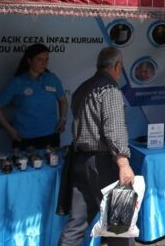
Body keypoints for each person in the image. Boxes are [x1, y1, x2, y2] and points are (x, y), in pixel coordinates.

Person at [58, 47, 135, 246]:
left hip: (81, 161)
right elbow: (114, 128)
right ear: (117, 66)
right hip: (103, 164)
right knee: (119, 224)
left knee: (77, 223)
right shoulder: (110, 90)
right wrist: (123, 163)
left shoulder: (83, 88)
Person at [0, 43, 67, 149]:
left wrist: (62, 119)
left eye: (46, 59)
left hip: (51, 135)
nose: (44, 63)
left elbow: (62, 100)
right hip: (25, 138)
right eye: (40, 59)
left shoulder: (52, 78)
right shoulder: (17, 82)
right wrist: (9, 130)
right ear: (29, 61)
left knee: (53, 160)